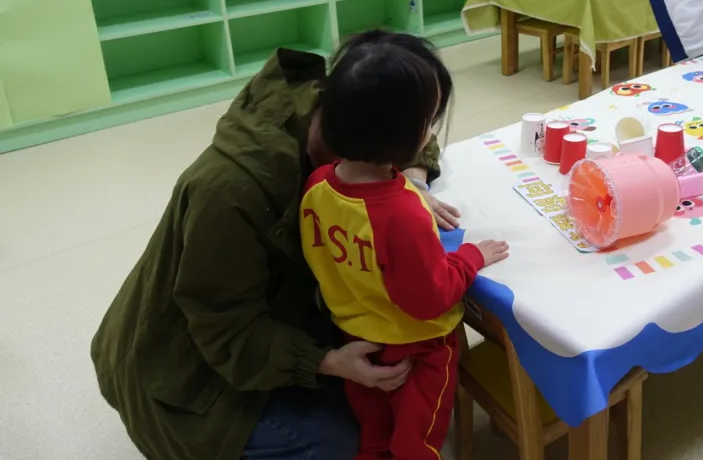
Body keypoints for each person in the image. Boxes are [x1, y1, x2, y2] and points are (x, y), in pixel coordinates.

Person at [90, 32, 464, 460]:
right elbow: (225, 326)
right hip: (179, 367)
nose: (427, 136)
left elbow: (413, 128)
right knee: (336, 441)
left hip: (270, 307)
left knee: (388, 364)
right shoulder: (231, 192)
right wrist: (326, 362)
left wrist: (413, 183)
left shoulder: (348, 113)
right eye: (423, 124)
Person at [301, 34, 508, 460]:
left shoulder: (317, 184)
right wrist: (472, 257)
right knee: (418, 443)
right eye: (428, 121)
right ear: (406, 135)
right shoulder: (403, 213)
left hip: (356, 339)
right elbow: (431, 297)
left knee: (373, 435)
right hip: (420, 350)